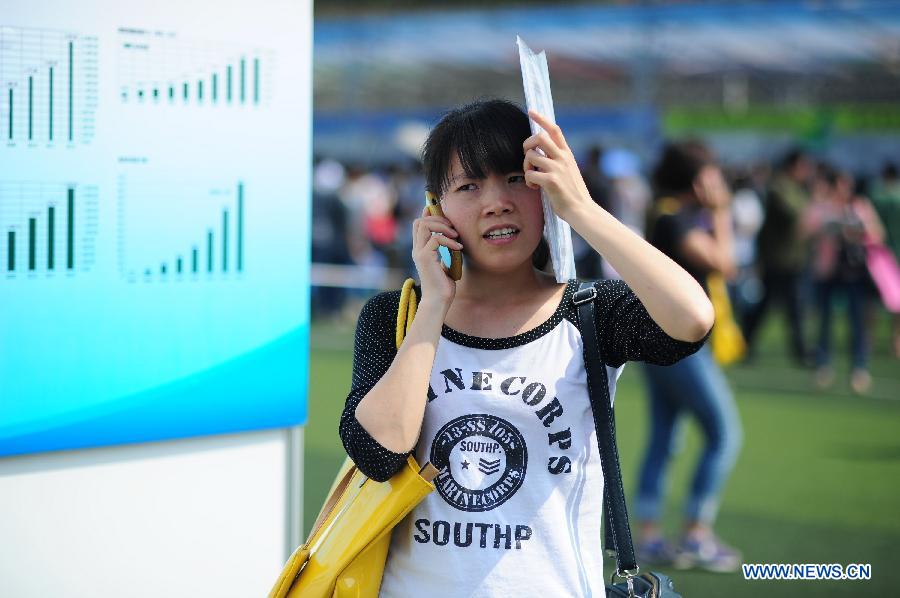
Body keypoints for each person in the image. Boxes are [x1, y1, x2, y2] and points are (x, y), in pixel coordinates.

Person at [338, 99, 715, 596]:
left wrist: (580, 208)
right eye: (468, 186)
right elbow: (378, 452)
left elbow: (692, 318)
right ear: (435, 207)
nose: (497, 201)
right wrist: (434, 306)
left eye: (517, 178)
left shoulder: (589, 313)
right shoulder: (397, 317)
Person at [636, 140, 743, 573]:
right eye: (712, 174)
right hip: (681, 348)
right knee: (724, 434)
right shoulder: (673, 221)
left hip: (661, 344)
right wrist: (720, 211)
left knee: (666, 437)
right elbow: (726, 263)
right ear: (698, 180)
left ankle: (647, 536)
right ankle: (696, 533)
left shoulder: (666, 217)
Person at [805, 166, 886, 393]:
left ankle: (859, 369)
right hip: (827, 270)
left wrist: (859, 229)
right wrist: (827, 228)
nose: (844, 188)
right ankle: (823, 366)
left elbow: (878, 235)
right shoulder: (822, 207)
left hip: (854, 272)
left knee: (857, 321)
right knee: (824, 322)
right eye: (840, 183)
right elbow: (804, 232)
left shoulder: (859, 207)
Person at [742, 148, 815, 366]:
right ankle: (746, 343)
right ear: (793, 165)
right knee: (772, 306)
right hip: (778, 259)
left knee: (787, 307)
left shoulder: (796, 188)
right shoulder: (779, 187)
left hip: (792, 259)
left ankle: (748, 344)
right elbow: (795, 215)